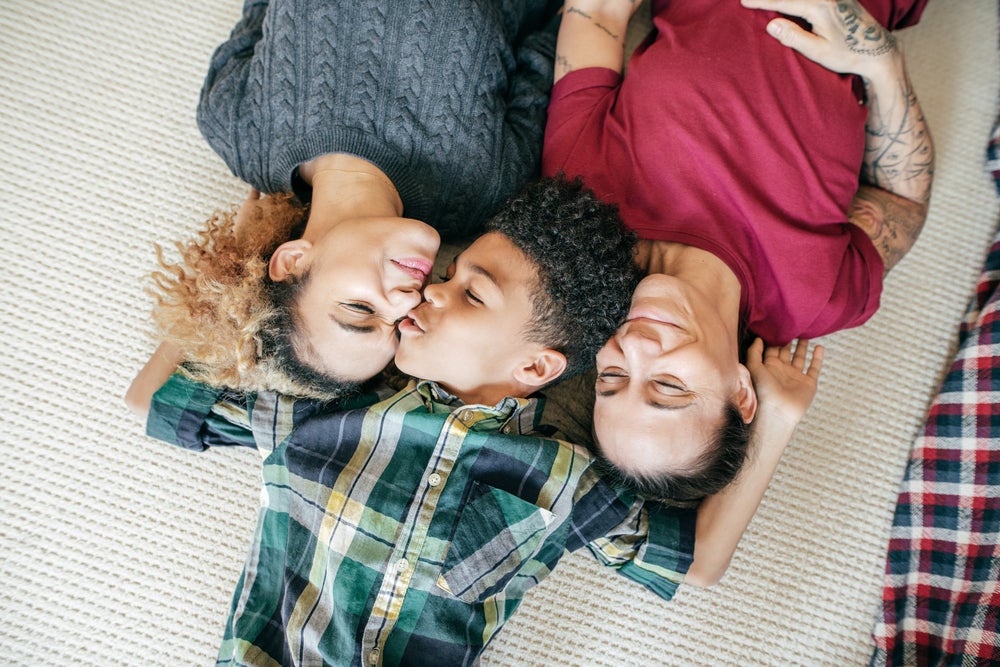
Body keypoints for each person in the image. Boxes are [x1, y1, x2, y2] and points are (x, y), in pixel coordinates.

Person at [140, 178, 825, 662]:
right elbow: (157, 394)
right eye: (447, 277)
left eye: (466, 290)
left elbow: (696, 563)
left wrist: (779, 420)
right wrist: (248, 257)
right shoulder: (330, 401)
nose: (425, 290)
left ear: (536, 368)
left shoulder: (565, 477)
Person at [542, 0, 934, 500]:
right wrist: (880, 60)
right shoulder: (817, 296)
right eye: (668, 387)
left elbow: (597, 12)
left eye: (613, 376)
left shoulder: (581, 205)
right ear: (741, 393)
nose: (634, 348)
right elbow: (901, 202)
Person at [146, 0, 561, 402]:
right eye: (399, 325)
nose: (407, 299)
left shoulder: (235, 125)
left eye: (360, 309)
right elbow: (555, 36)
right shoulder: (483, 189)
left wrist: (240, 249)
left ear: (292, 261)